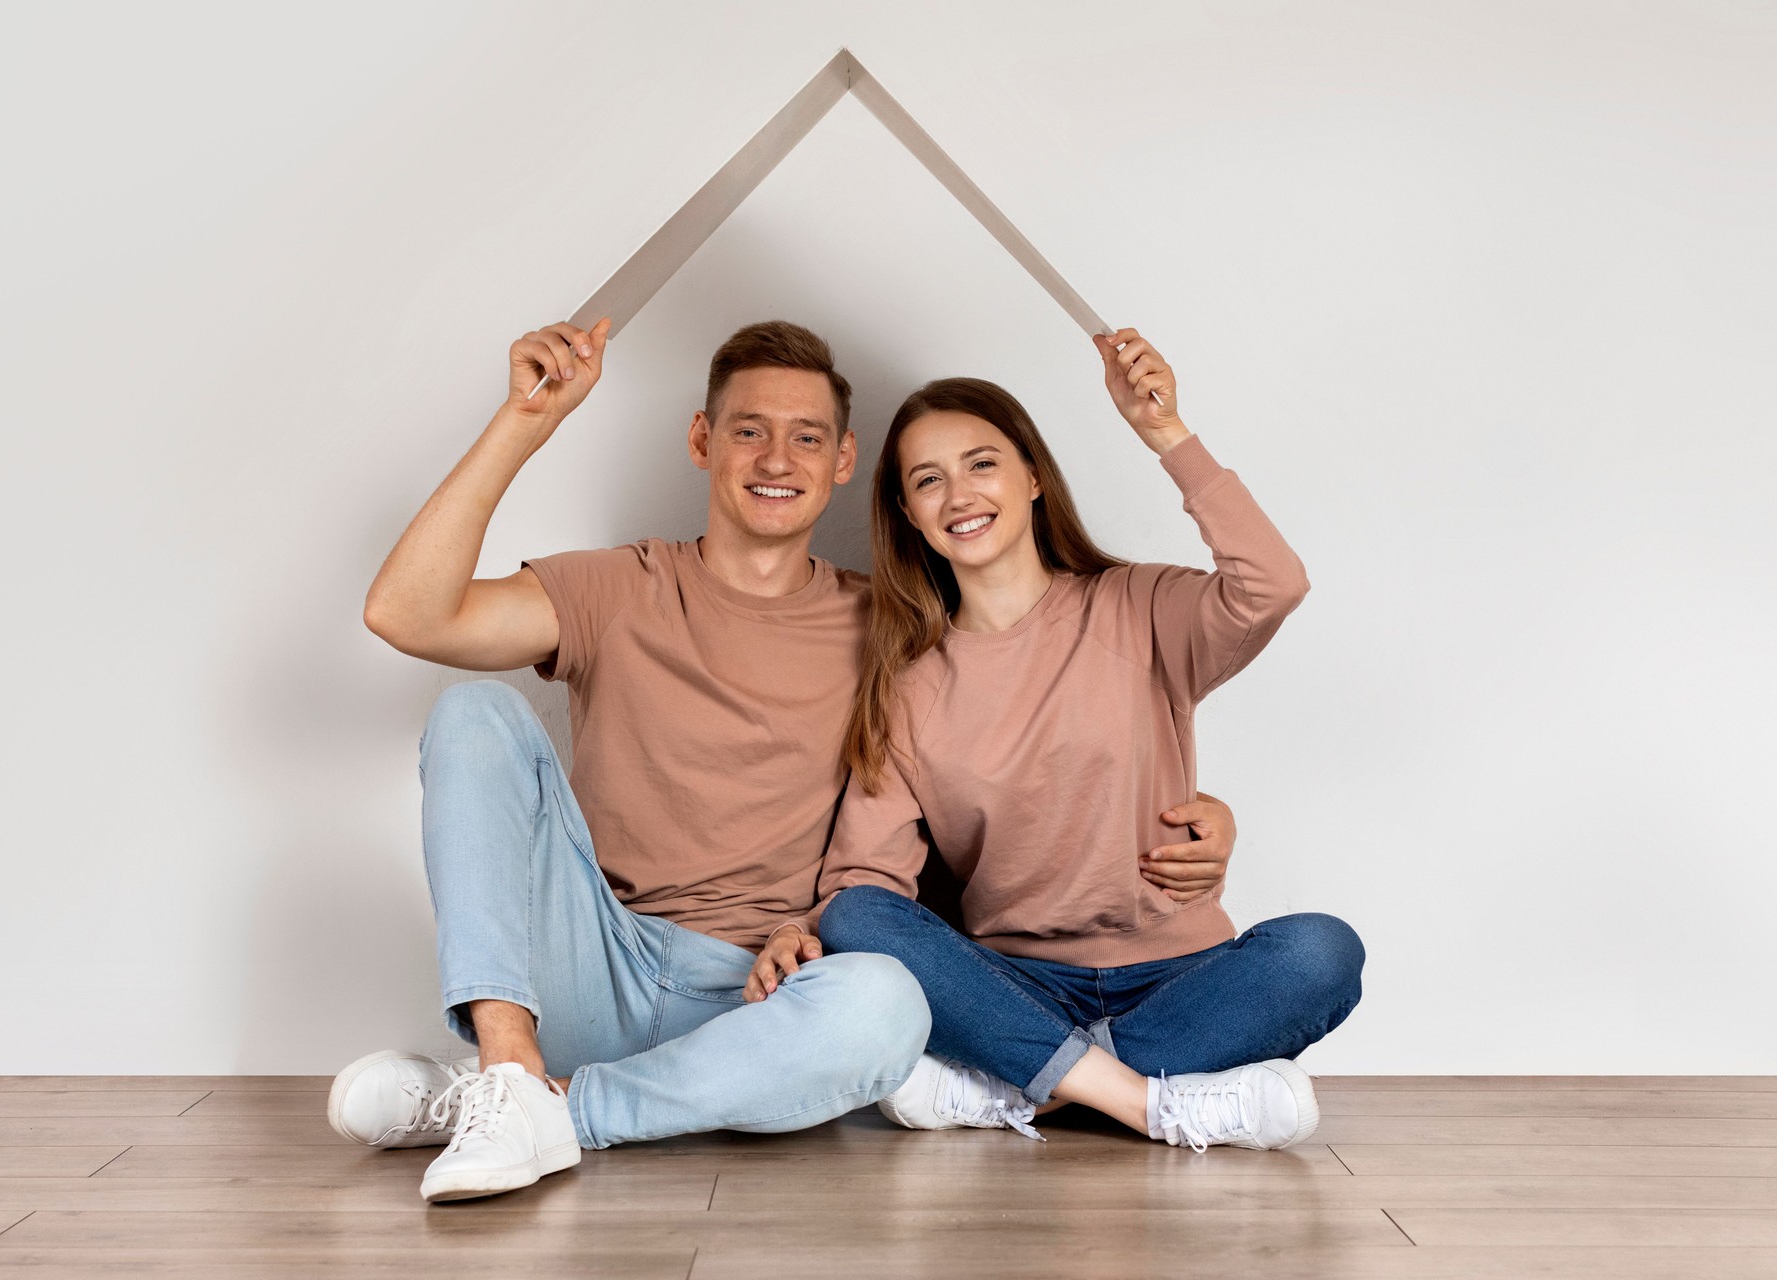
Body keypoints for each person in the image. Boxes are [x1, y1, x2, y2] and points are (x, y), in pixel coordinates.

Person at [330, 314, 1251, 1200]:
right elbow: (406, 614)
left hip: (764, 1004)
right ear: (701, 439)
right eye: (750, 431)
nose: (778, 460)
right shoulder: (616, 587)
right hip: (595, 960)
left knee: (887, 1003)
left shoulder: (896, 631)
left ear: (844, 463)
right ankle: (507, 1069)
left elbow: (1032, 750)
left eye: (808, 438)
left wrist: (1193, 810)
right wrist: (524, 422)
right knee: (475, 712)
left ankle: (541, 1111)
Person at [795, 329, 1365, 1152]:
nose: (958, 492)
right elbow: (862, 884)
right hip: (1014, 986)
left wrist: (1165, 432)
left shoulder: (1138, 607)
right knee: (856, 917)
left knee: (1321, 950)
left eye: (981, 462)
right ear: (909, 515)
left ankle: (1020, 1089)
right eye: (928, 480)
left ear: (1031, 477)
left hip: (1180, 975)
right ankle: (1148, 1102)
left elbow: (1273, 584)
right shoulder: (907, 687)